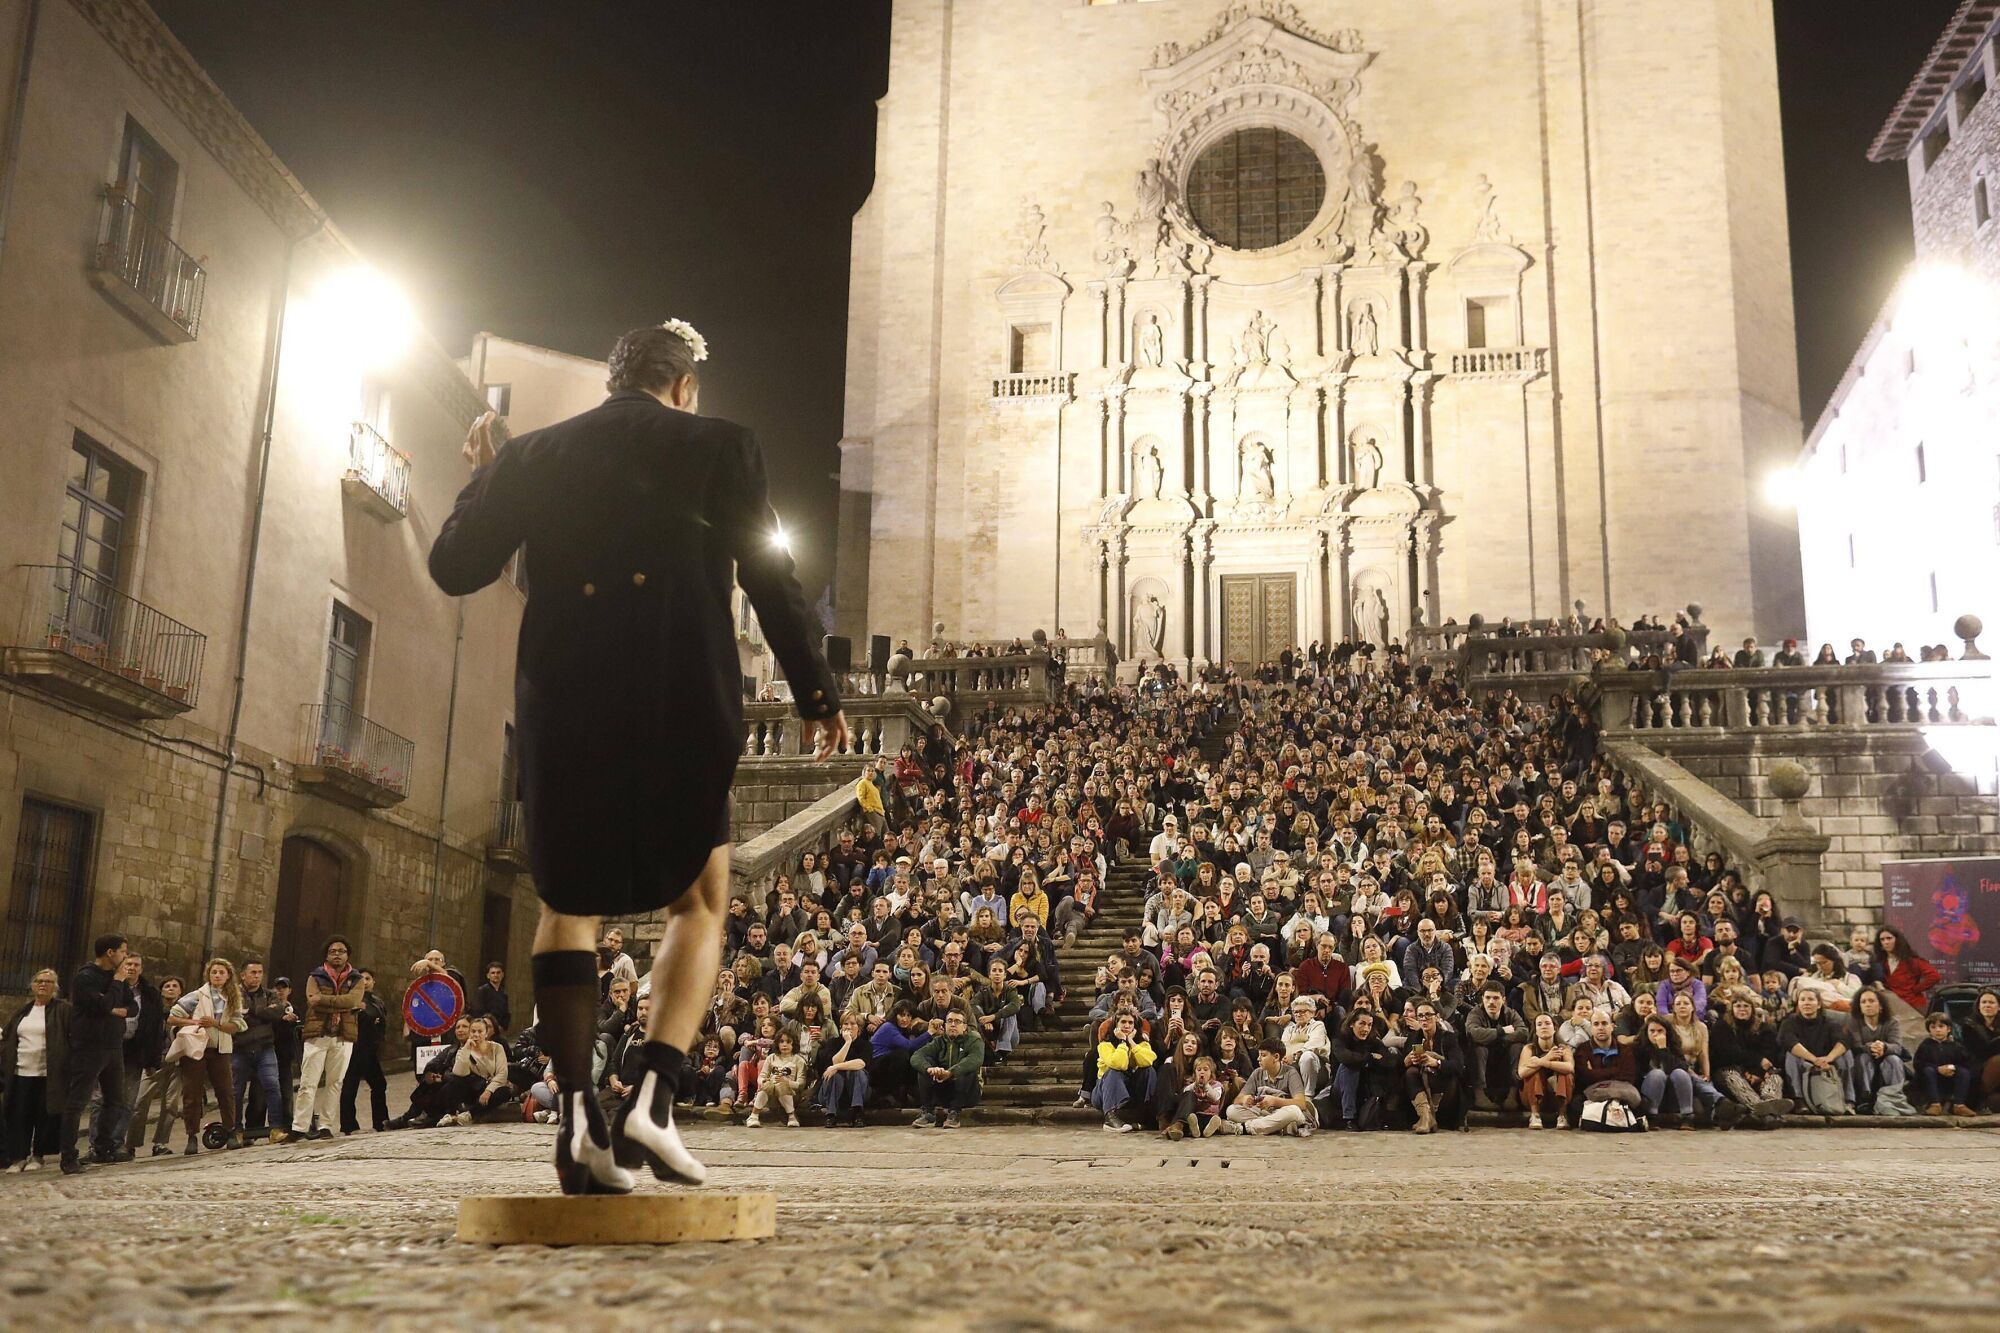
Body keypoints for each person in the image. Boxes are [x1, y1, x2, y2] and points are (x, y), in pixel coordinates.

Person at [429, 322, 848, 1192]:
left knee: (565, 905)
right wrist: (816, 693)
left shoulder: (534, 454)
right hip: (676, 695)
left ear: (614, 383)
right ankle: (653, 1102)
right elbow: (773, 579)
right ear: (684, 386)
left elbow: (456, 564)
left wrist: (484, 477)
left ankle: (578, 1119)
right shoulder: (722, 446)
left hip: (567, 701)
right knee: (699, 896)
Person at [58, 934, 133, 1174]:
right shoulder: (86, 977)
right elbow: (101, 1006)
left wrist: (114, 1006)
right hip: (90, 1047)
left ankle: (103, 1148)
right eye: (123, 951)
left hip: (113, 1045)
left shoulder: (116, 979)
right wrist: (117, 985)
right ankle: (68, 1157)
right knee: (77, 1102)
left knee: (115, 1100)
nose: (125, 957)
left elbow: (132, 1006)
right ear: (110, 953)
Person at [168, 958, 244, 1155]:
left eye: (221, 972)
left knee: (226, 1091)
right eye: (214, 972)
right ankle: (191, 1135)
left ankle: (230, 1131)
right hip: (196, 1049)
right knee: (192, 1094)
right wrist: (194, 1022)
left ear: (228, 976)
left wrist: (216, 1024)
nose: (217, 975)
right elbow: (173, 1016)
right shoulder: (196, 995)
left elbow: (237, 1025)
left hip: (220, 1050)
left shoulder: (233, 997)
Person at [293, 937, 363, 1141]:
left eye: (341, 951)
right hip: (318, 1034)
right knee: (308, 1082)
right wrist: (343, 1004)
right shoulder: (316, 976)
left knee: (335, 1082)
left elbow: (353, 1000)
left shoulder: (356, 979)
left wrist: (325, 1000)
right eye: (333, 951)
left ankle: (326, 1125)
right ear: (326, 954)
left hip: (343, 1035)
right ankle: (300, 1126)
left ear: (347, 955)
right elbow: (312, 1002)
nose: (337, 954)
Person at [2, 969, 68, 1171]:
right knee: (19, 1115)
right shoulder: (24, 1011)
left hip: (48, 1074)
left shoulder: (63, 1010)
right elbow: (9, 1036)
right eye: (39, 981)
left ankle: (38, 1156)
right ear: (32, 985)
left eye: (48, 981)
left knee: (43, 1116)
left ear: (54, 987)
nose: (42, 984)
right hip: (21, 1072)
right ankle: (18, 1157)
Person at [122, 971, 182, 1157]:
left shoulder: (187, 1010)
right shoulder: (153, 1009)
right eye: (167, 986)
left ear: (181, 991)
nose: (171, 989)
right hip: (155, 1060)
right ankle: (130, 1143)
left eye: (175, 986)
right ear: (161, 991)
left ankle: (161, 1143)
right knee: (140, 1101)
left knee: (171, 1104)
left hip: (178, 1061)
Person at [233, 960, 289, 1144]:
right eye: (253, 972)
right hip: (239, 1048)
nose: (257, 976)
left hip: (265, 1048)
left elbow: (277, 1012)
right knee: (236, 1091)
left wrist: (252, 1011)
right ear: (243, 975)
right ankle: (236, 1130)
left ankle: (275, 1128)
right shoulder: (233, 994)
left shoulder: (269, 994)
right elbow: (234, 1016)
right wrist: (263, 1013)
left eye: (259, 972)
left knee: (272, 1085)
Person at [910, 1008, 983, 1129]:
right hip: (944, 1089)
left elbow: (976, 1059)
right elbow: (916, 1056)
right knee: (925, 1065)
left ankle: (955, 1113)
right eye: (949, 1021)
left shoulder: (974, 1039)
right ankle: (928, 1112)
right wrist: (930, 1069)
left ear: (964, 1026)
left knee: (966, 1067)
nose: (953, 1024)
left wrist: (951, 1072)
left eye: (957, 1021)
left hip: (968, 1093)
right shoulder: (939, 1041)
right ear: (945, 1025)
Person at [1227, 1038, 1314, 1137]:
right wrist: (1244, 1099)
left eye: (1263, 1055)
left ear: (1276, 1057)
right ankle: (1276, 1126)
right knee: (1231, 1110)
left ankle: (1243, 1128)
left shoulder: (1291, 1072)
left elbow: (1301, 1104)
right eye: (1259, 1055)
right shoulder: (1257, 1073)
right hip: (1267, 1114)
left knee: (1294, 1111)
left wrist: (1275, 1101)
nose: (1258, 1059)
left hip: (1283, 1112)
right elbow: (1237, 1100)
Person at [340, 968, 390, 1134]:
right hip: (355, 1048)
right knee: (350, 1086)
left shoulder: (377, 1001)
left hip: (370, 1050)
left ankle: (381, 1122)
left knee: (379, 1084)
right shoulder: (352, 1000)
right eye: (361, 978)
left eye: (368, 978)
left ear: (373, 982)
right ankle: (348, 1125)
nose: (365, 981)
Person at [1092, 1011, 1157, 1133]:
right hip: (1104, 1092)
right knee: (1114, 1071)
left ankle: (1144, 1116)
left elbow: (1148, 1061)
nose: (1127, 1026)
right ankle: (1110, 1118)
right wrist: (1122, 1042)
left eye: (1130, 1023)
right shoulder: (1105, 1045)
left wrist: (1131, 1042)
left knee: (1148, 1070)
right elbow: (1119, 1064)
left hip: (1129, 1090)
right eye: (1123, 1022)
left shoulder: (1142, 1043)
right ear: (1116, 1025)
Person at [1913, 1011, 1980, 1116]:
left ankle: (1959, 1105)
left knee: (1964, 1072)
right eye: (1933, 1027)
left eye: (1941, 1026)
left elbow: (1967, 1062)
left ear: (1948, 1029)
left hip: (1951, 1078)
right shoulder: (1925, 1045)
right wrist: (1937, 1069)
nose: (1938, 1030)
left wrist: (1953, 1068)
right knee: (1928, 1070)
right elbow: (1918, 1063)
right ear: (1929, 1030)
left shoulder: (1956, 1046)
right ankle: (1934, 1104)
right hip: (1931, 1078)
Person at [811, 1013, 871, 1126]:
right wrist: (847, 1042)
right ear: (840, 1027)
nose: (848, 1027)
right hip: (831, 1091)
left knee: (857, 1072)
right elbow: (835, 1061)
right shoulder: (833, 1043)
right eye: (845, 1024)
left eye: (853, 1024)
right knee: (834, 1076)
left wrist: (836, 1067)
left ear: (859, 1028)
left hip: (856, 1091)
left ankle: (857, 1112)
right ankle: (830, 1115)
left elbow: (861, 1063)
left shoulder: (865, 1045)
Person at [1516, 1012, 1574, 1129]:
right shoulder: (1529, 1048)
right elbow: (1522, 1073)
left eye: (1547, 1023)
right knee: (1533, 1072)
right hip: (1532, 1097)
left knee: (1565, 1074)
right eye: (1539, 1024)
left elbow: (1569, 1067)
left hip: (1556, 1097)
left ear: (1554, 1028)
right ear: (1536, 1030)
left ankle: (1562, 1116)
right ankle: (1535, 1115)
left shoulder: (1563, 1048)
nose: (1544, 1026)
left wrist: (1542, 1062)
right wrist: (1547, 1058)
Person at [476, 962, 514, 1035]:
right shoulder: (482, 991)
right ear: (488, 975)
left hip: (498, 1031)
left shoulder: (504, 994)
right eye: (493, 973)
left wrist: (502, 1026)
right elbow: (478, 1011)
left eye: (498, 973)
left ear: (502, 975)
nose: (496, 975)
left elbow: (506, 1014)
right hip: (485, 1030)